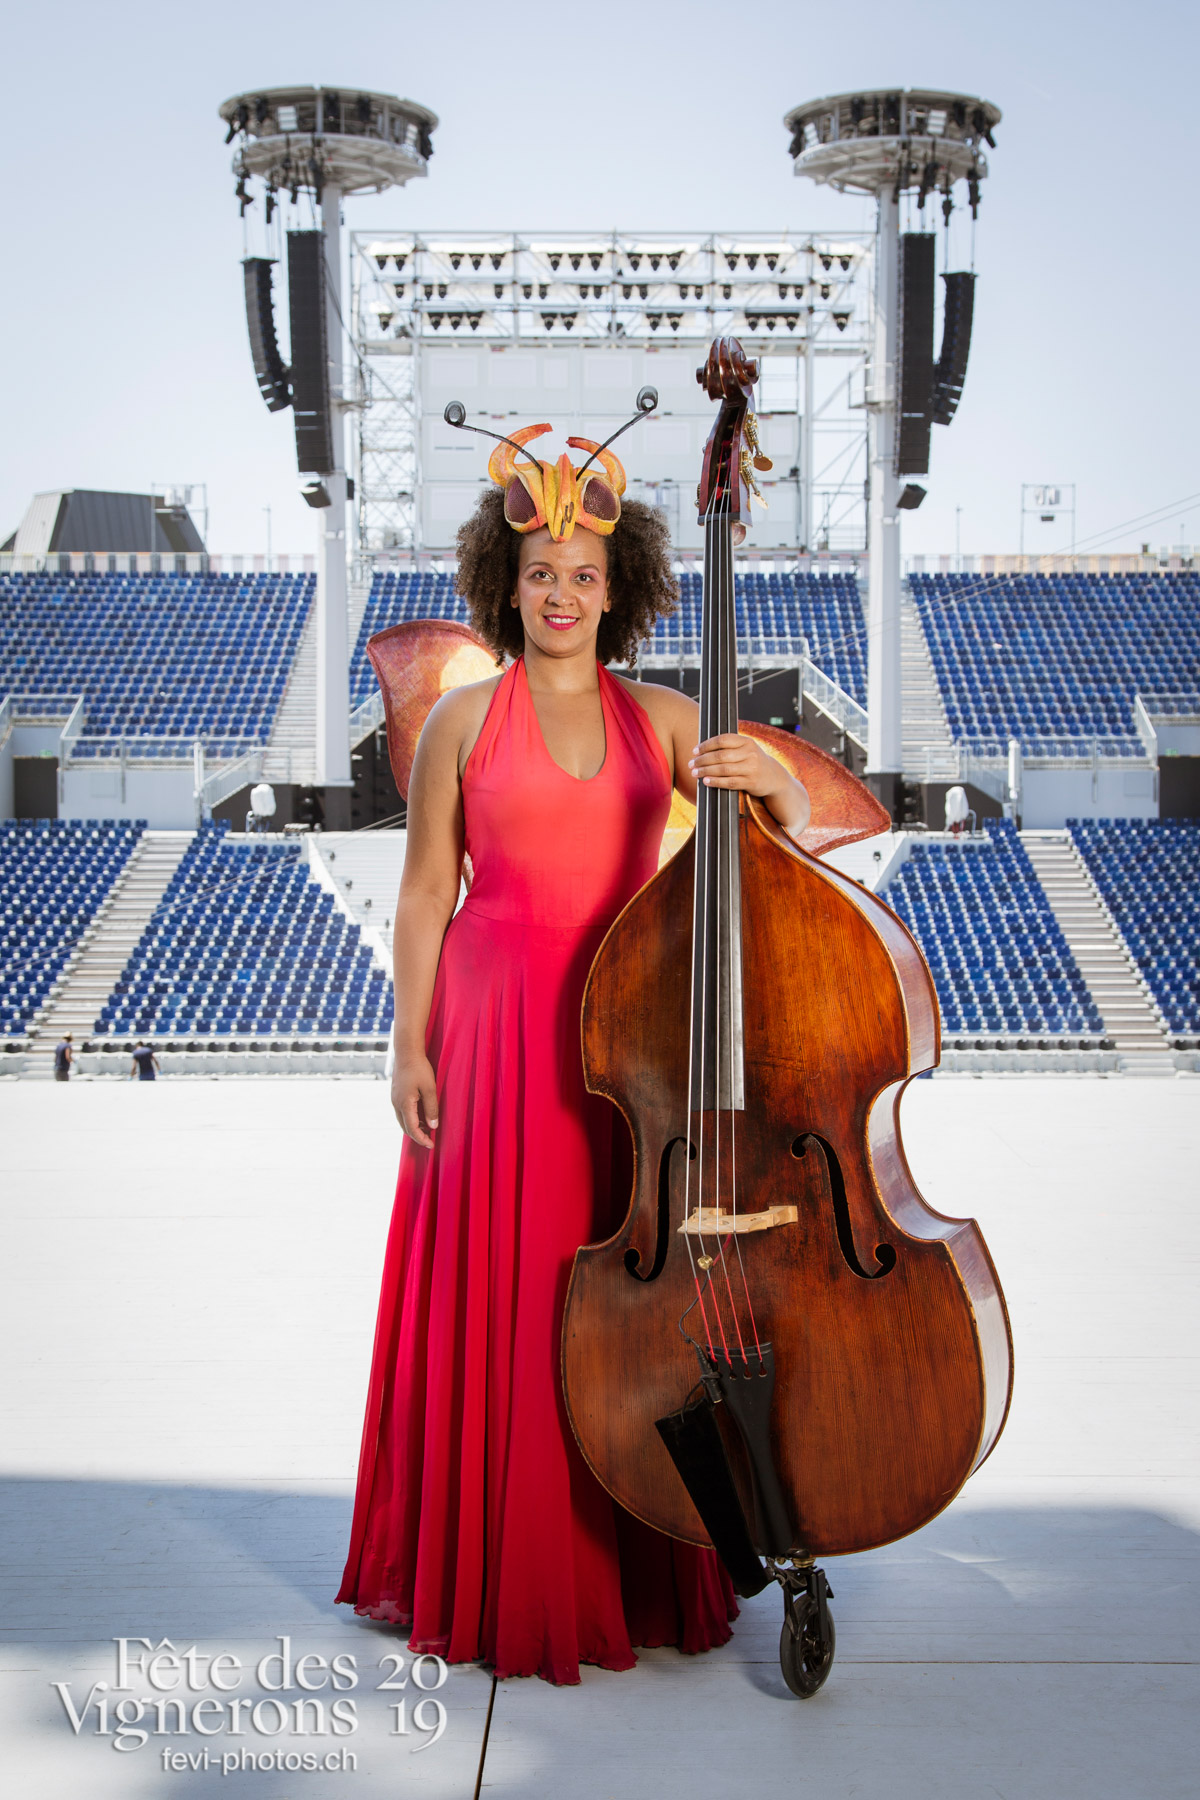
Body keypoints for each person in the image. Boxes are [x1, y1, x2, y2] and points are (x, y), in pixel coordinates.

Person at [336, 418, 811, 1686]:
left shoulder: (663, 715)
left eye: (583, 574)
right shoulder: (458, 725)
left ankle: (635, 1555)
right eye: (538, 571)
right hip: (489, 1036)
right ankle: (497, 1567)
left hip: (618, 1044)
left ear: (622, 586)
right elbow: (427, 896)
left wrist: (770, 781)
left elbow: (795, 831)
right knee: (499, 1291)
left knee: (616, 1311)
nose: (559, 594)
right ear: (506, 579)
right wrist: (408, 1050)